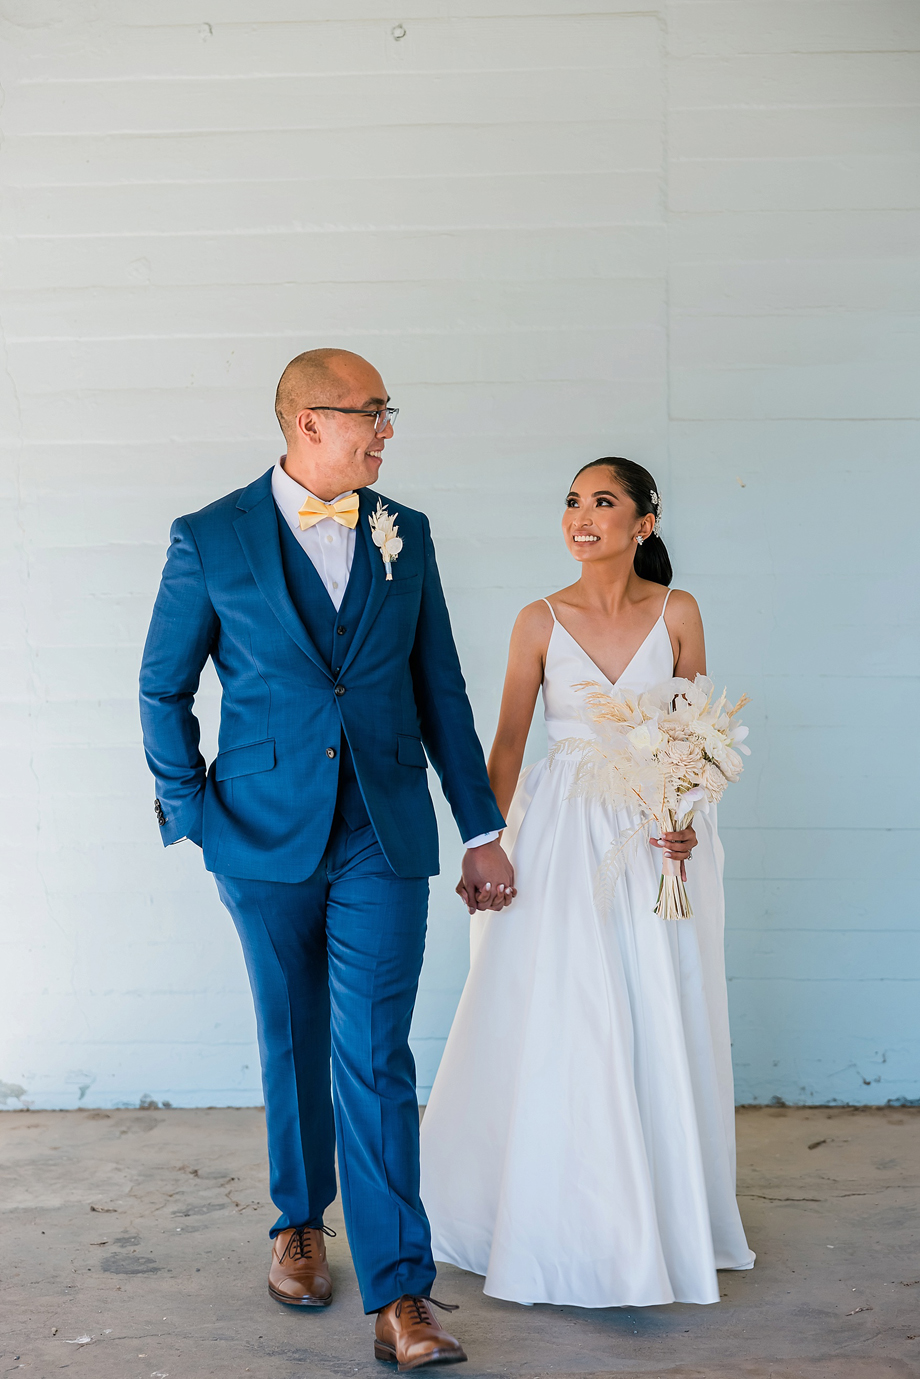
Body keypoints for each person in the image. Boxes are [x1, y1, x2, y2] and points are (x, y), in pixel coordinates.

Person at [139, 348, 515, 1370]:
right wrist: (194, 813)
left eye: (388, 412)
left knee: (375, 1052)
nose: (387, 430)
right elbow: (162, 687)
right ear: (311, 422)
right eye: (372, 413)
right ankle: (299, 1223)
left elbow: (441, 688)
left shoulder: (407, 533)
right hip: (258, 834)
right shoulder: (209, 536)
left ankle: (400, 1293)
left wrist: (479, 826)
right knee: (292, 1032)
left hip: (382, 833)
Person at [420, 457, 755, 1308]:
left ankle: (659, 1221)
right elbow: (507, 743)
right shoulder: (538, 619)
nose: (581, 515)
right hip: (563, 838)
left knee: (656, 1007)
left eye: (604, 502)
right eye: (573, 501)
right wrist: (483, 842)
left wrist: (688, 813)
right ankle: (561, 1222)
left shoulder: (679, 612)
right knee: (569, 1015)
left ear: (644, 522)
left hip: (652, 838)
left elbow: (695, 735)